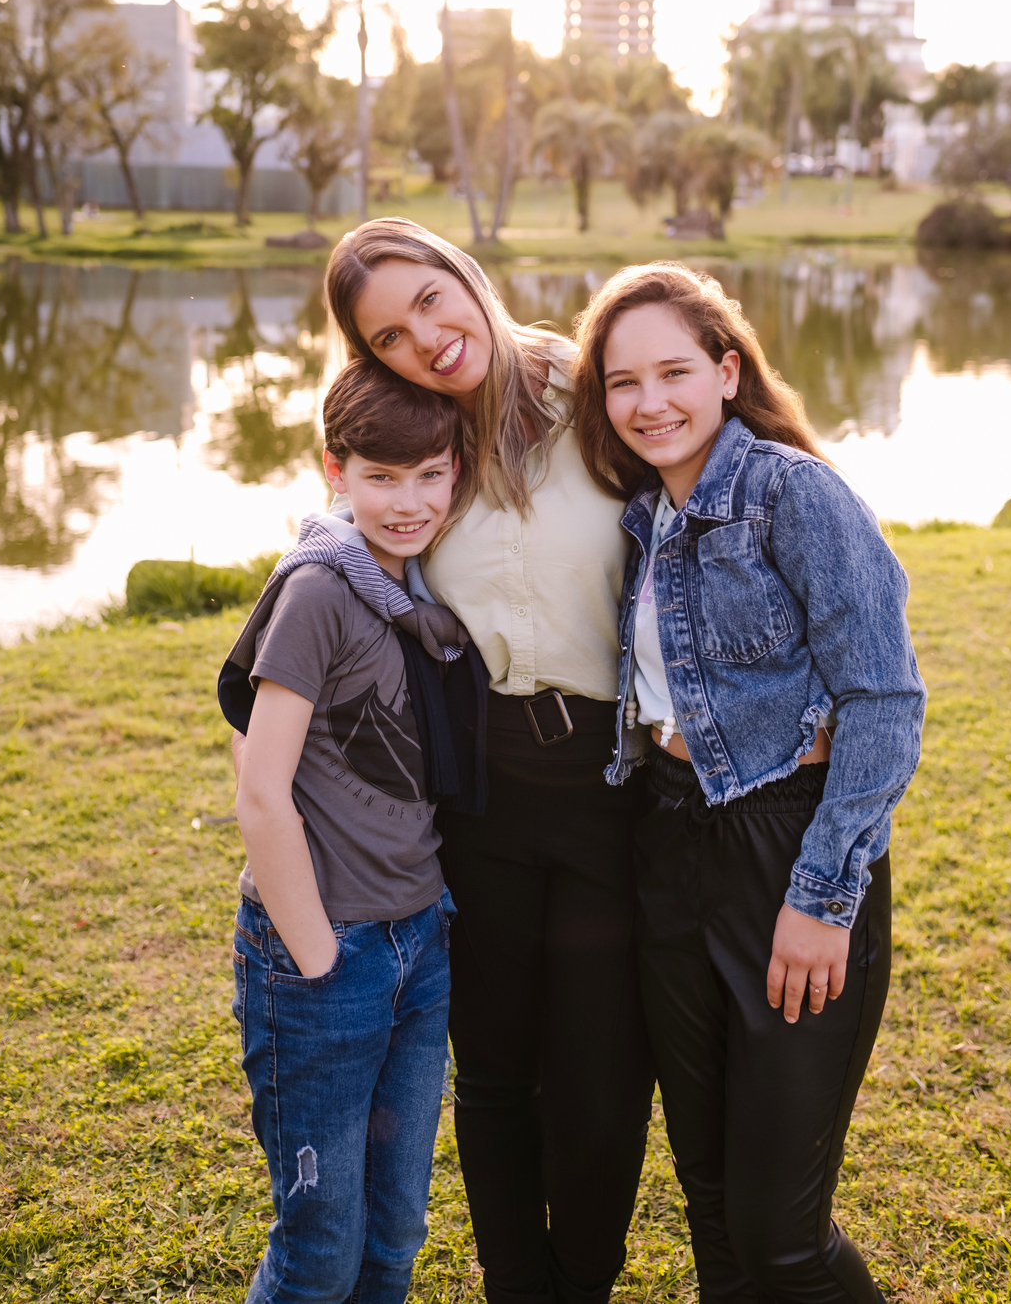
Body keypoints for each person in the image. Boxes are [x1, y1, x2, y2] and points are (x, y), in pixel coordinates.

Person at [571, 262, 926, 1304]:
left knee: (782, 1236)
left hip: (787, 848)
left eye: (675, 370)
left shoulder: (793, 493)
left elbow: (884, 701)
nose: (651, 402)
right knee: (715, 1206)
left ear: (728, 370)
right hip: (671, 846)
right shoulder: (646, 516)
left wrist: (822, 900)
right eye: (622, 382)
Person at [324, 220, 655, 1304]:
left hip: (615, 783)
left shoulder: (594, 387)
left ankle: (582, 1283)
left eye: (430, 298)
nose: (425, 336)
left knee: (603, 1080)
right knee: (499, 1070)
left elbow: (723, 487)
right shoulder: (415, 448)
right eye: (389, 333)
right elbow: (344, 561)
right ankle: (518, 1284)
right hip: (483, 790)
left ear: (465, 275)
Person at [220, 358, 473, 1304]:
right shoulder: (324, 589)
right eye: (381, 477)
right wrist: (319, 956)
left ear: (456, 471)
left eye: (429, 476)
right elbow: (259, 785)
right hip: (329, 957)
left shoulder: (416, 588)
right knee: (321, 1245)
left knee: (396, 1232)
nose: (407, 502)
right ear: (336, 471)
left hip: (420, 942)